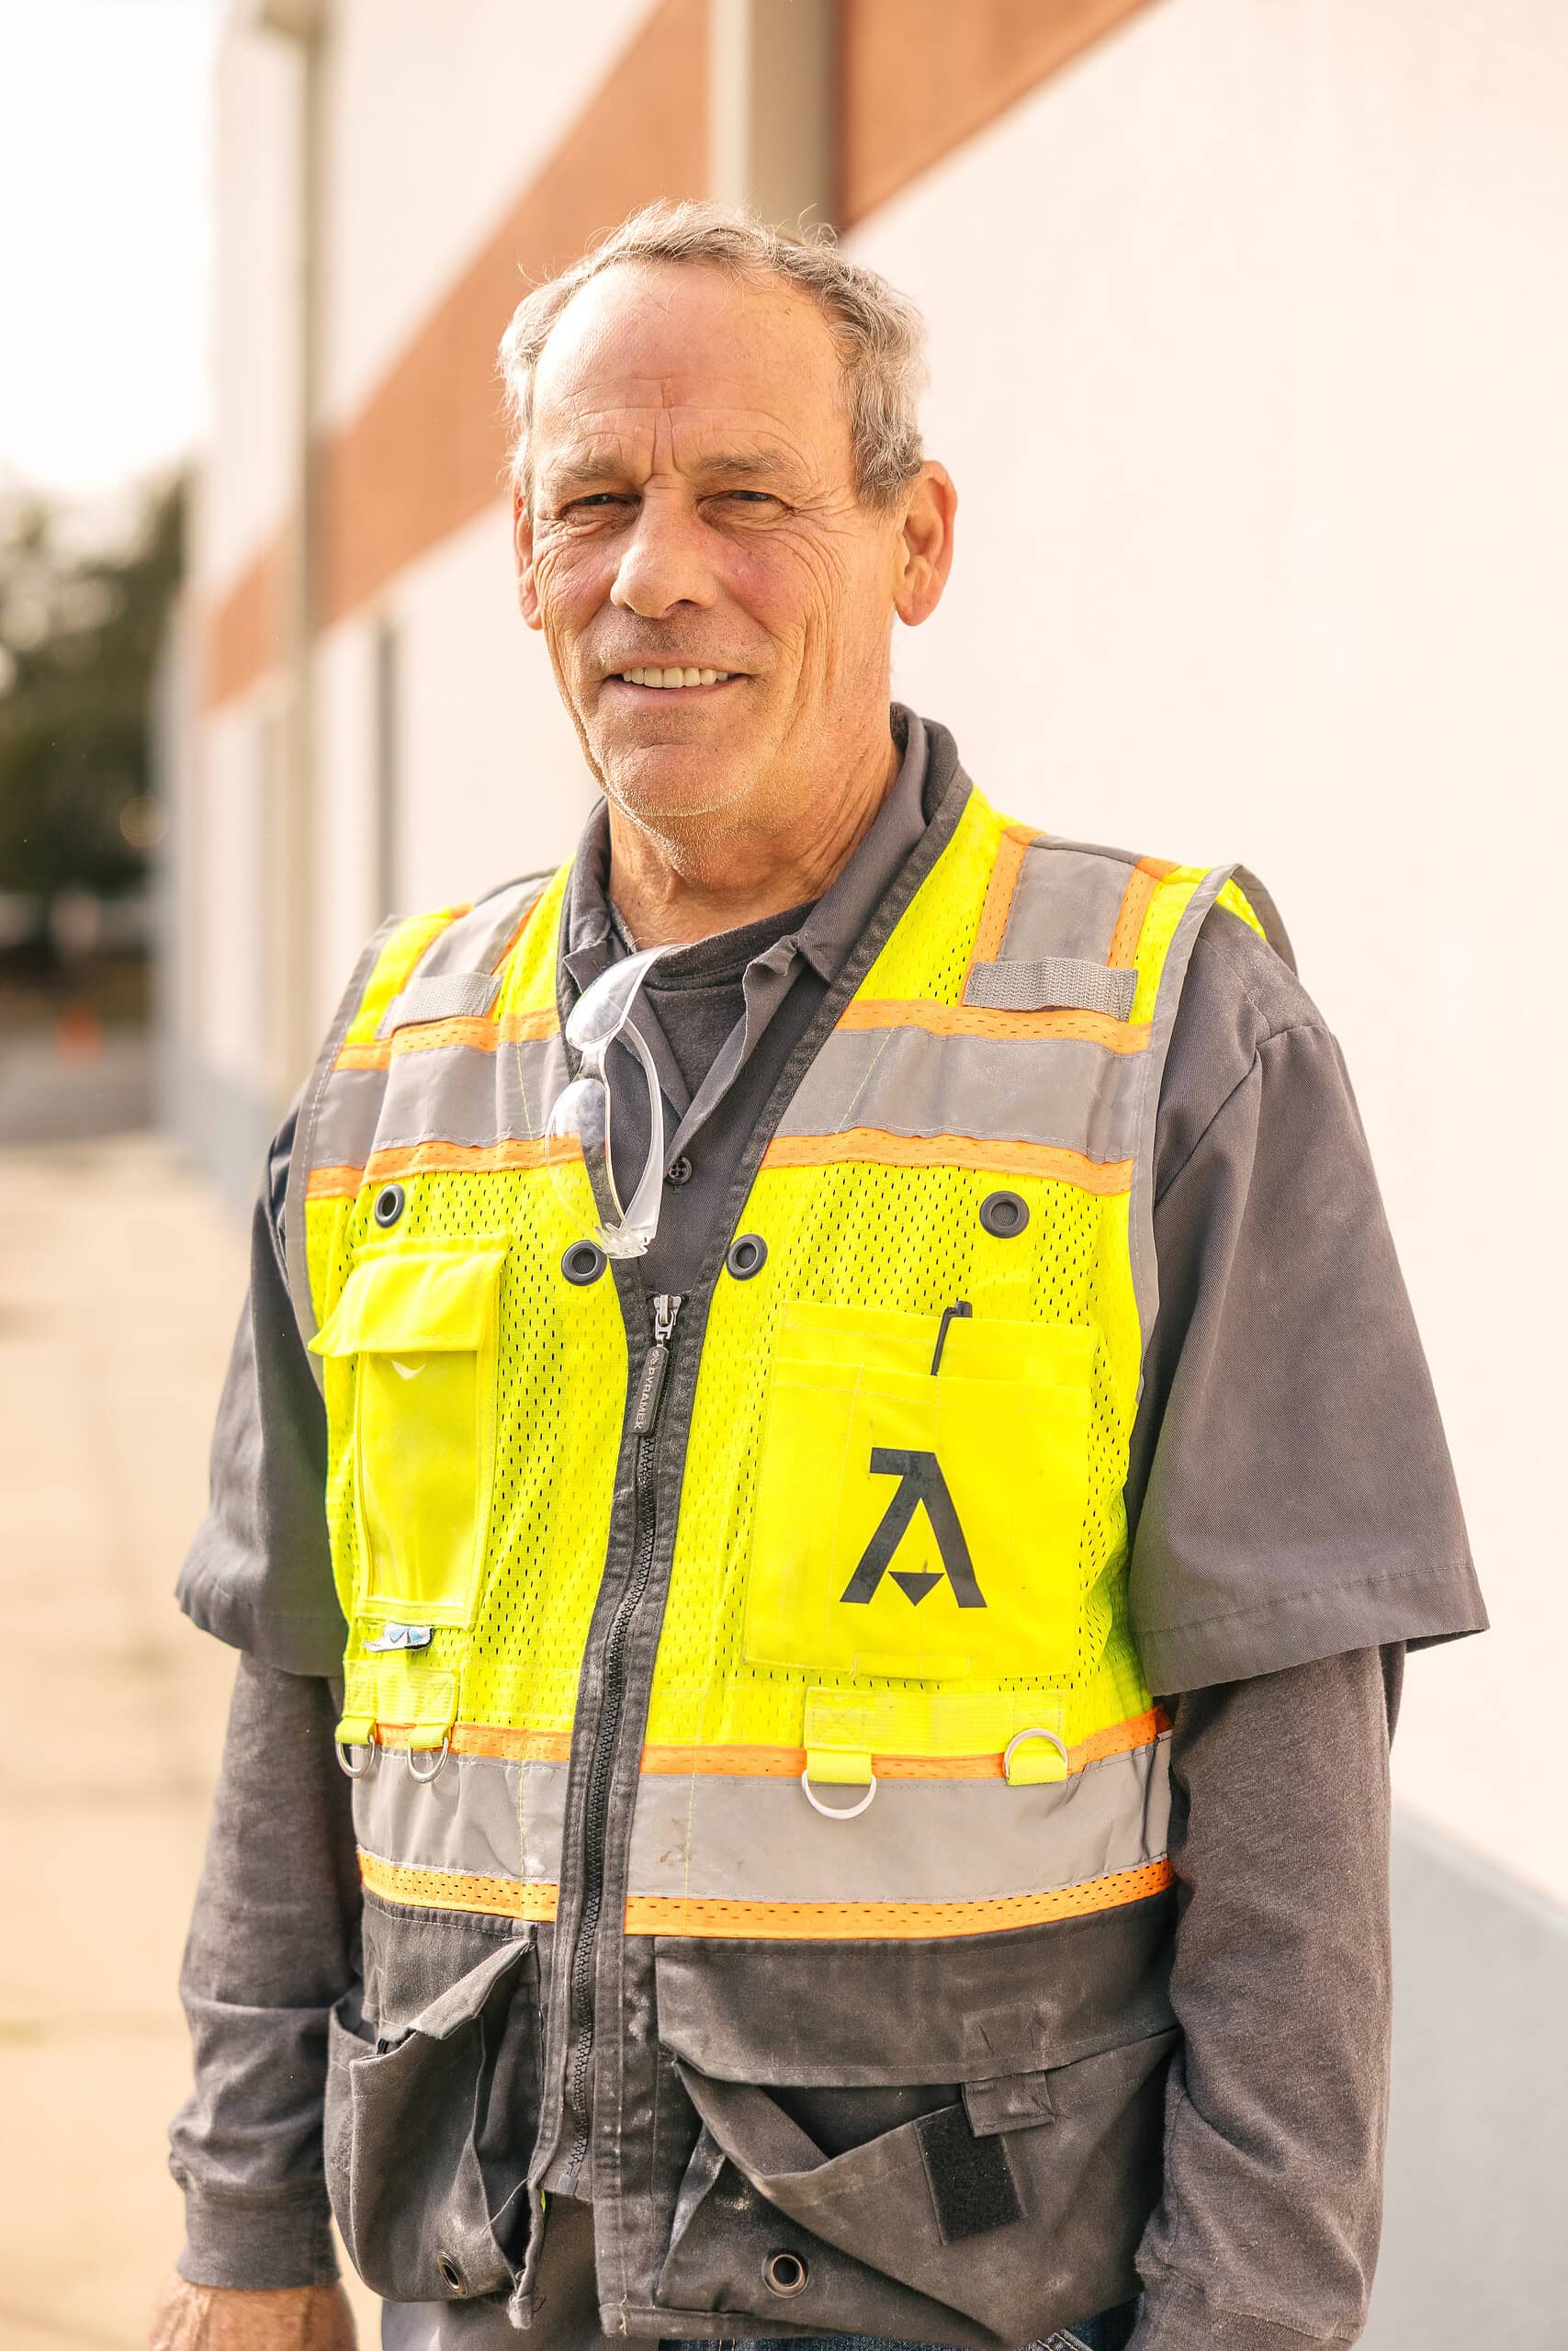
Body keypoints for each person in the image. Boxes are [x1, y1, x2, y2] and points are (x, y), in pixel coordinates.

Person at [152, 202, 1484, 2351]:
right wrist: (239, 2226)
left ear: (913, 535)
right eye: (593, 499)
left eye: (745, 498)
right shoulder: (398, 1055)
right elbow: (294, 1686)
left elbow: (1294, 1764)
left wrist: (1244, 2322)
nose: (655, 571)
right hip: (477, 2284)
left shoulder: (1159, 1031)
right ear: (518, 550)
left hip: (945, 2294)